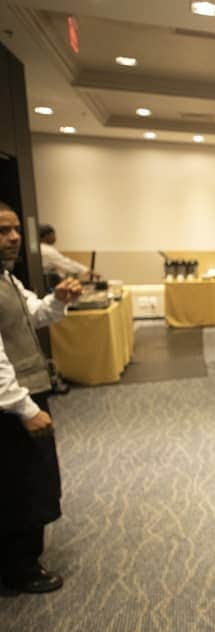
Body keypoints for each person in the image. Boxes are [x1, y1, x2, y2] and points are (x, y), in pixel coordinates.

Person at [0, 203, 83, 593]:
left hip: (24, 396)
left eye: (15, 229)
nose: (14, 238)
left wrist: (59, 299)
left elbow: (33, 315)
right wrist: (24, 406)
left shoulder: (8, 279)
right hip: (13, 405)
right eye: (3, 231)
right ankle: (20, 568)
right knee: (23, 484)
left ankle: (21, 559)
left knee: (32, 480)